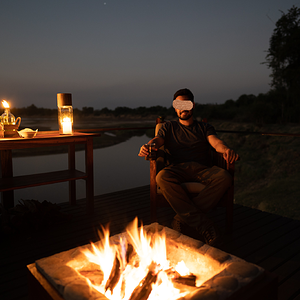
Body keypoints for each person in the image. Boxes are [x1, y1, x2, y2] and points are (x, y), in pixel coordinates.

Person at [138, 88, 239, 246]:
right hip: (177, 168)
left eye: (186, 103)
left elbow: (216, 143)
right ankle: (205, 225)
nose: (183, 108)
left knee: (224, 177)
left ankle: (181, 218)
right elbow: (157, 140)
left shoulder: (204, 127)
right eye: (179, 104)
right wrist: (148, 145)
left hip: (202, 169)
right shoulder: (168, 127)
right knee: (162, 177)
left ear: (192, 105)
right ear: (175, 107)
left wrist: (226, 149)